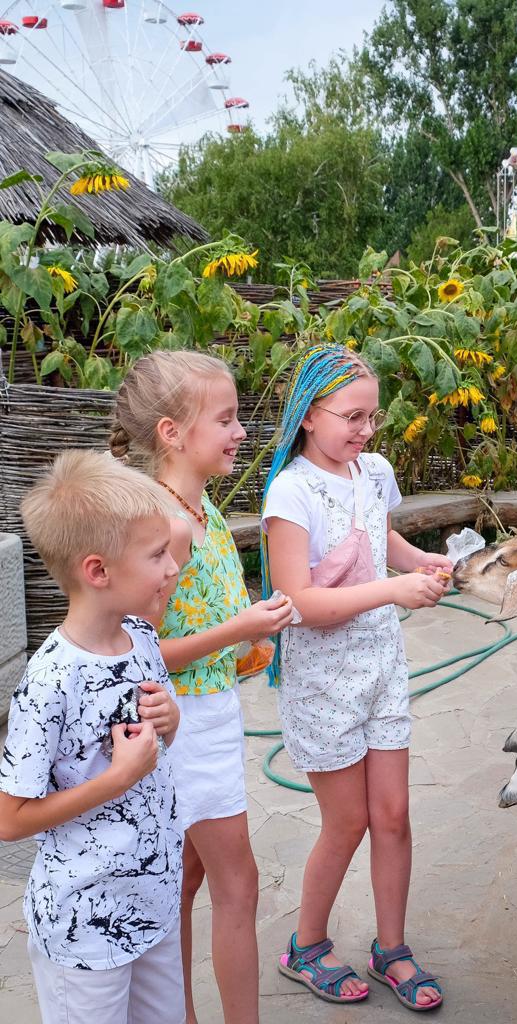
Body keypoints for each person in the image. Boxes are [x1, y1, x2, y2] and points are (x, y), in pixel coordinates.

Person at [261, 344, 450, 1011]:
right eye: (350, 416)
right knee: (345, 824)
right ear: (308, 415)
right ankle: (306, 945)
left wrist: (415, 559)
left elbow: (376, 537)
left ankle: (389, 949)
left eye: (371, 417)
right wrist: (394, 593)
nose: (364, 430)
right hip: (322, 683)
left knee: (392, 816)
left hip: (380, 669)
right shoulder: (289, 492)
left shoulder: (372, 472)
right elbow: (300, 605)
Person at [110, 351, 293, 1024]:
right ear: (171, 433)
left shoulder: (199, 507)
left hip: (202, 712)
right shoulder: (170, 524)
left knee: (184, 881)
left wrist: (244, 642)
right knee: (237, 885)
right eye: (226, 418)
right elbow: (138, 652)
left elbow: (192, 622)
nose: (240, 430)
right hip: (185, 725)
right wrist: (235, 629)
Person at [0, 450, 183, 1024]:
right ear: (98, 571)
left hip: (153, 903)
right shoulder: (49, 680)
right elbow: (11, 818)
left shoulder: (141, 636)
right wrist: (118, 778)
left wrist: (169, 720)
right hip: (85, 929)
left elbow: (157, 740)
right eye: (157, 556)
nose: (173, 567)